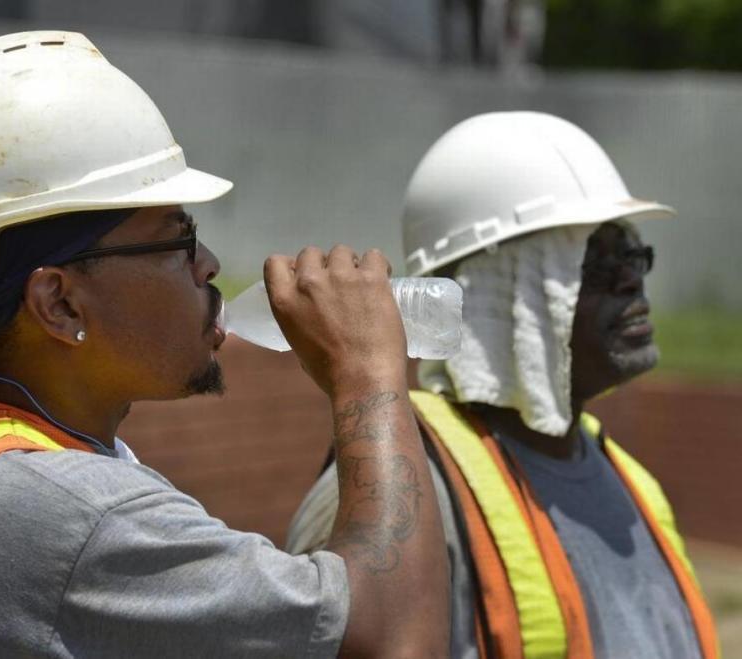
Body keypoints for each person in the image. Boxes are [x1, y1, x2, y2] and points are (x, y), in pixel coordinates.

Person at [0, 31, 449, 658]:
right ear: (60, 302)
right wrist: (368, 371)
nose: (210, 263)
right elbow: (393, 633)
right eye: (178, 239)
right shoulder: (80, 518)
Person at [286, 112, 720, 658]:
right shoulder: (397, 491)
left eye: (633, 254)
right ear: (499, 294)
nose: (632, 278)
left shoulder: (637, 486)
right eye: (595, 259)